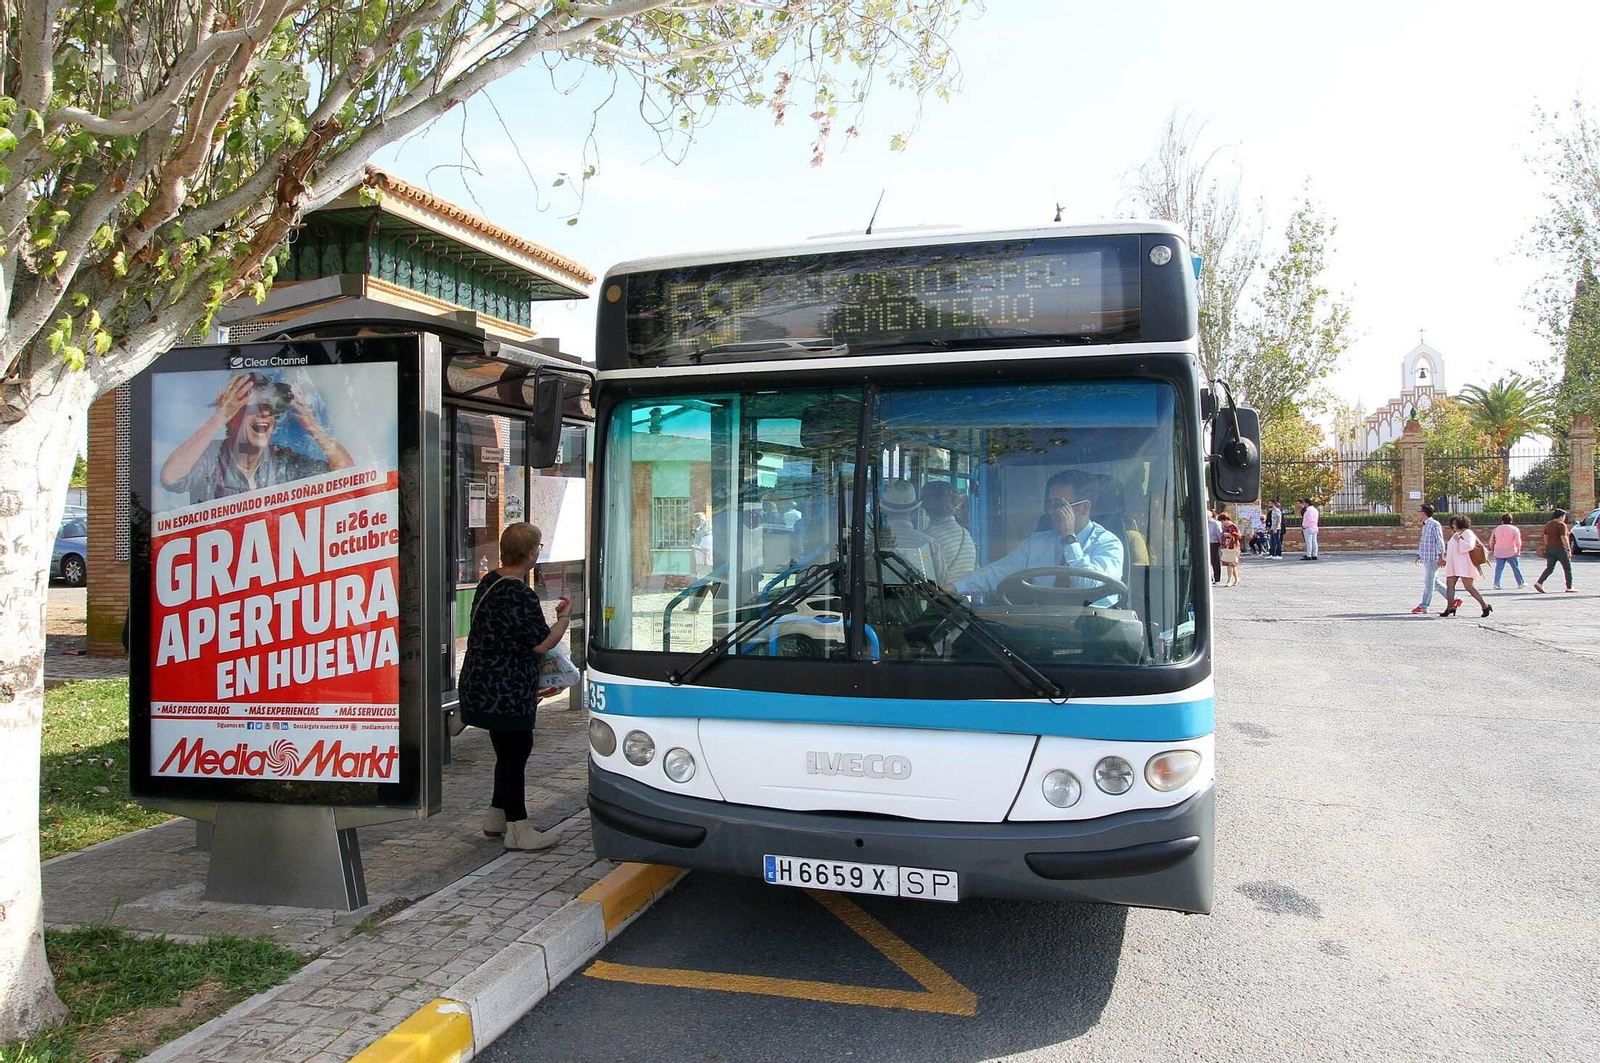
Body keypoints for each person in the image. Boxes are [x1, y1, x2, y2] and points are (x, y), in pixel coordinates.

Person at [458, 522, 572, 851]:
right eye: (537, 547)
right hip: (507, 688)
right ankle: (518, 829)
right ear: (531, 553)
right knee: (515, 752)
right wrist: (564, 617)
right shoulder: (519, 592)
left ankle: (496, 816)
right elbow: (541, 642)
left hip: (482, 681)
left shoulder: (490, 582)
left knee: (507, 751)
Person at [160, 372, 353, 503]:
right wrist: (219, 417)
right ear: (231, 417)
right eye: (252, 407)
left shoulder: (283, 463)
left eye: (271, 409)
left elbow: (347, 478)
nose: (263, 414)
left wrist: (314, 427)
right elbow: (170, 477)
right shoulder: (211, 458)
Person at [951, 469, 1124, 607]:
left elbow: (1090, 588)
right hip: (1045, 626)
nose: (1050, 512)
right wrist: (954, 588)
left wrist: (1069, 538)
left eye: (1059, 505)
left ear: (1084, 508)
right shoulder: (1038, 542)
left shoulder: (1109, 544)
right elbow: (999, 571)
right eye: (1049, 504)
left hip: (1096, 631)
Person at [878, 479, 943, 580]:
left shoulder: (872, 542)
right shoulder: (929, 543)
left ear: (884, 511)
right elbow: (941, 583)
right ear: (914, 511)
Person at [921, 480, 977, 584]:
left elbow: (926, 577)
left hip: (941, 598)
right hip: (962, 597)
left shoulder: (928, 537)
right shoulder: (966, 534)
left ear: (926, 506)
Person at [1440, 516, 1490, 618]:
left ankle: (1484, 606)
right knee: (1450, 585)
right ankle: (1450, 607)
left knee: (1469, 587)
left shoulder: (1467, 533)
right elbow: (1451, 549)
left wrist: (1459, 540)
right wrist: (1446, 559)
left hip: (1464, 564)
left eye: (1455, 523)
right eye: (1452, 523)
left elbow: (1469, 546)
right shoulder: (1456, 534)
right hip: (1453, 564)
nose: (1453, 526)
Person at [1412, 503, 1448, 615]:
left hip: (1433, 557)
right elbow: (1425, 541)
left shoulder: (1434, 524)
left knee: (1429, 582)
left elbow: (1439, 540)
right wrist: (1419, 554)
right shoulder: (1425, 524)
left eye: (1420, 511)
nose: (1418, 514)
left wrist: (1441, 556)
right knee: (1435, 582)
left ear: (1424, 513)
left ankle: (1424, 605)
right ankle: (1454, 598)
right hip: (1427, 556)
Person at [1534, 508, 1575, 593]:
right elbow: (1564, 538)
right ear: (1561, 516)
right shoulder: (1561, 525)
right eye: (1564, 516)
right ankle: (1569, 587)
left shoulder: (1548, 524)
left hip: (1550, 548)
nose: (1564, 518)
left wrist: (1547, 545)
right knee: (1567, 568)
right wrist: (1568, 549)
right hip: (1560, 549)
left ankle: (1539, 582)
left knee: (1549, 568)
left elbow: (1545, 537)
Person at [1488, 513, 1525, 591]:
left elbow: (1491, 540)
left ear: (1502, 521)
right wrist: (1518, 550)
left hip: (1499, 551)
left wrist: (1492, 549)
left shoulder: (1497, 529)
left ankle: (1496, 583)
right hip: (1511, 551)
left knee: (1499, 568)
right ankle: (1520, 582)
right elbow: (1518, 541)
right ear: (1511, 520)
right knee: (1515, 567)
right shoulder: (1514, 529)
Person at [1219, 510, 1242, 587]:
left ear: (1225, 519)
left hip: (1233, 547)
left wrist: (1229, 535)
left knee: (1230, 564)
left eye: (1222, 521)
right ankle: (1237, 579)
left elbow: (1238, 536)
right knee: (1232, 564)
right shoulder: (1225, 527)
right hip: (1226, 547)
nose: (1222, 523)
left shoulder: (1233, 526)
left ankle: (1229, 580)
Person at [1207, 506, 1223, 584]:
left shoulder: (1216, 523)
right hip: (1207, 543)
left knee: (1215, 561)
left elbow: (1219, 534)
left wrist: (1222, 544)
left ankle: (1217, 578)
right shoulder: (1204, 523)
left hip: (1214, 543)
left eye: (1207, 517)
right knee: (1207, 561)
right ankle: (1209, 577)